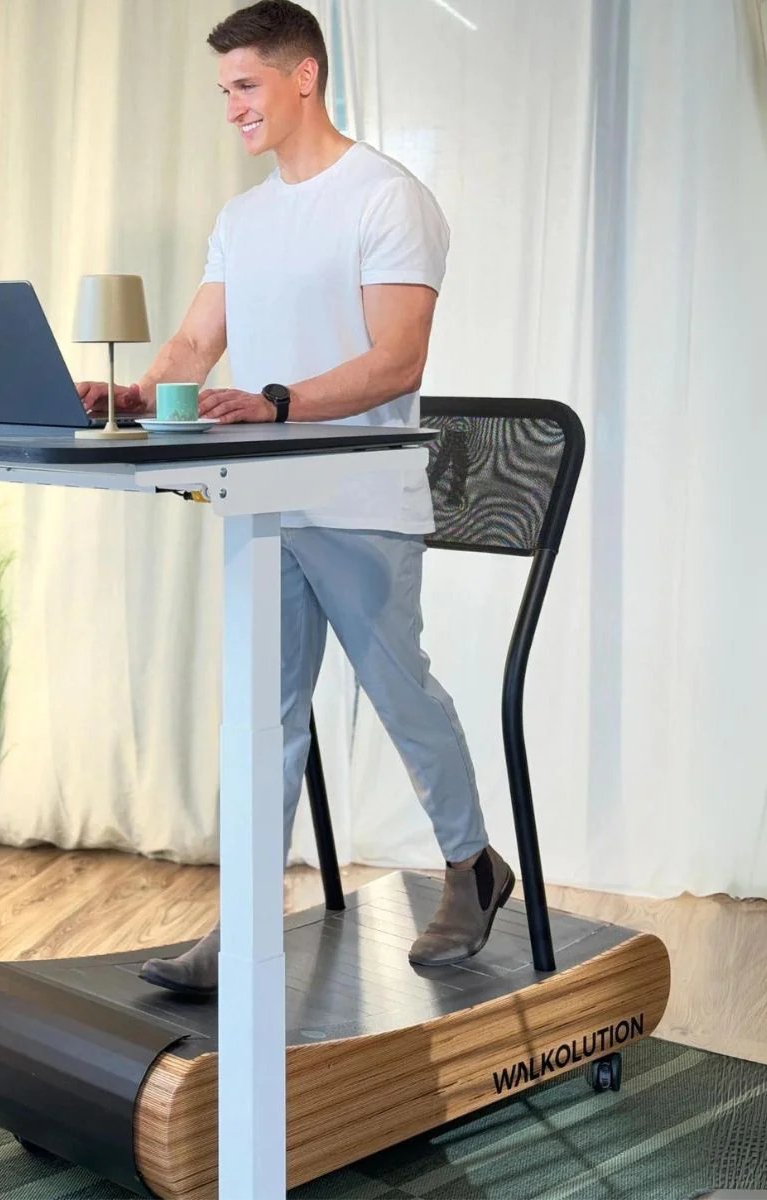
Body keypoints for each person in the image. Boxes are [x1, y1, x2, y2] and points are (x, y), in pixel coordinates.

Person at [76, 0, 514, 996]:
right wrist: (136, 394)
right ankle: (242, 929)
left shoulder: (387, 199)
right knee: (261, 717)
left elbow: (398, 360)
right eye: (224, 90)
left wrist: (275, 403)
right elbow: (196, 345)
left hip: (359, 497)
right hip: (262, 499)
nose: (232, 106)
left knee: (400, 693)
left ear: (303, 76)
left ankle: (471, 865)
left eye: (246, 85)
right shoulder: (244, 219)